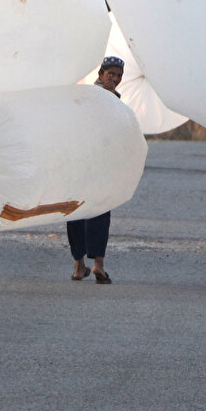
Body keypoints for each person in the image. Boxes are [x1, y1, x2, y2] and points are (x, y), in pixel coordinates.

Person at [66, 55, 125, 285]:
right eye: (111, 74)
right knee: (89, 211)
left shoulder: (114, 100)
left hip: (95, 165)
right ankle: (86, 264)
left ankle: (89, 265)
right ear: (100, 74)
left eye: (119, 76)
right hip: (86, 163)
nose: (115, 79)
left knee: (86, 211)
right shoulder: (89, 98)